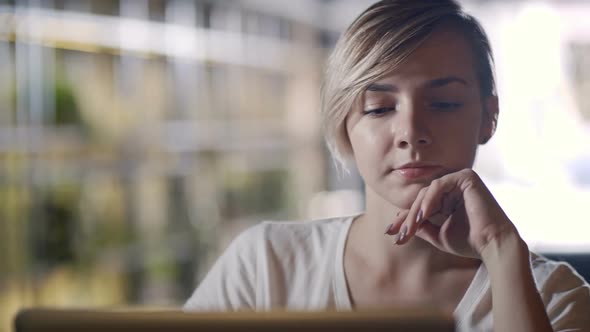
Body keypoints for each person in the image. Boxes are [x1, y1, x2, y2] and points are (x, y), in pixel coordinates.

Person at [184, 1, 590, 331]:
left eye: (444, 103)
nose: (410, 132)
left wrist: (502, 250)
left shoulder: (553, 296)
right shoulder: (264, 267)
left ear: (488, 116)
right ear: (344, 125)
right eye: (379, 108)